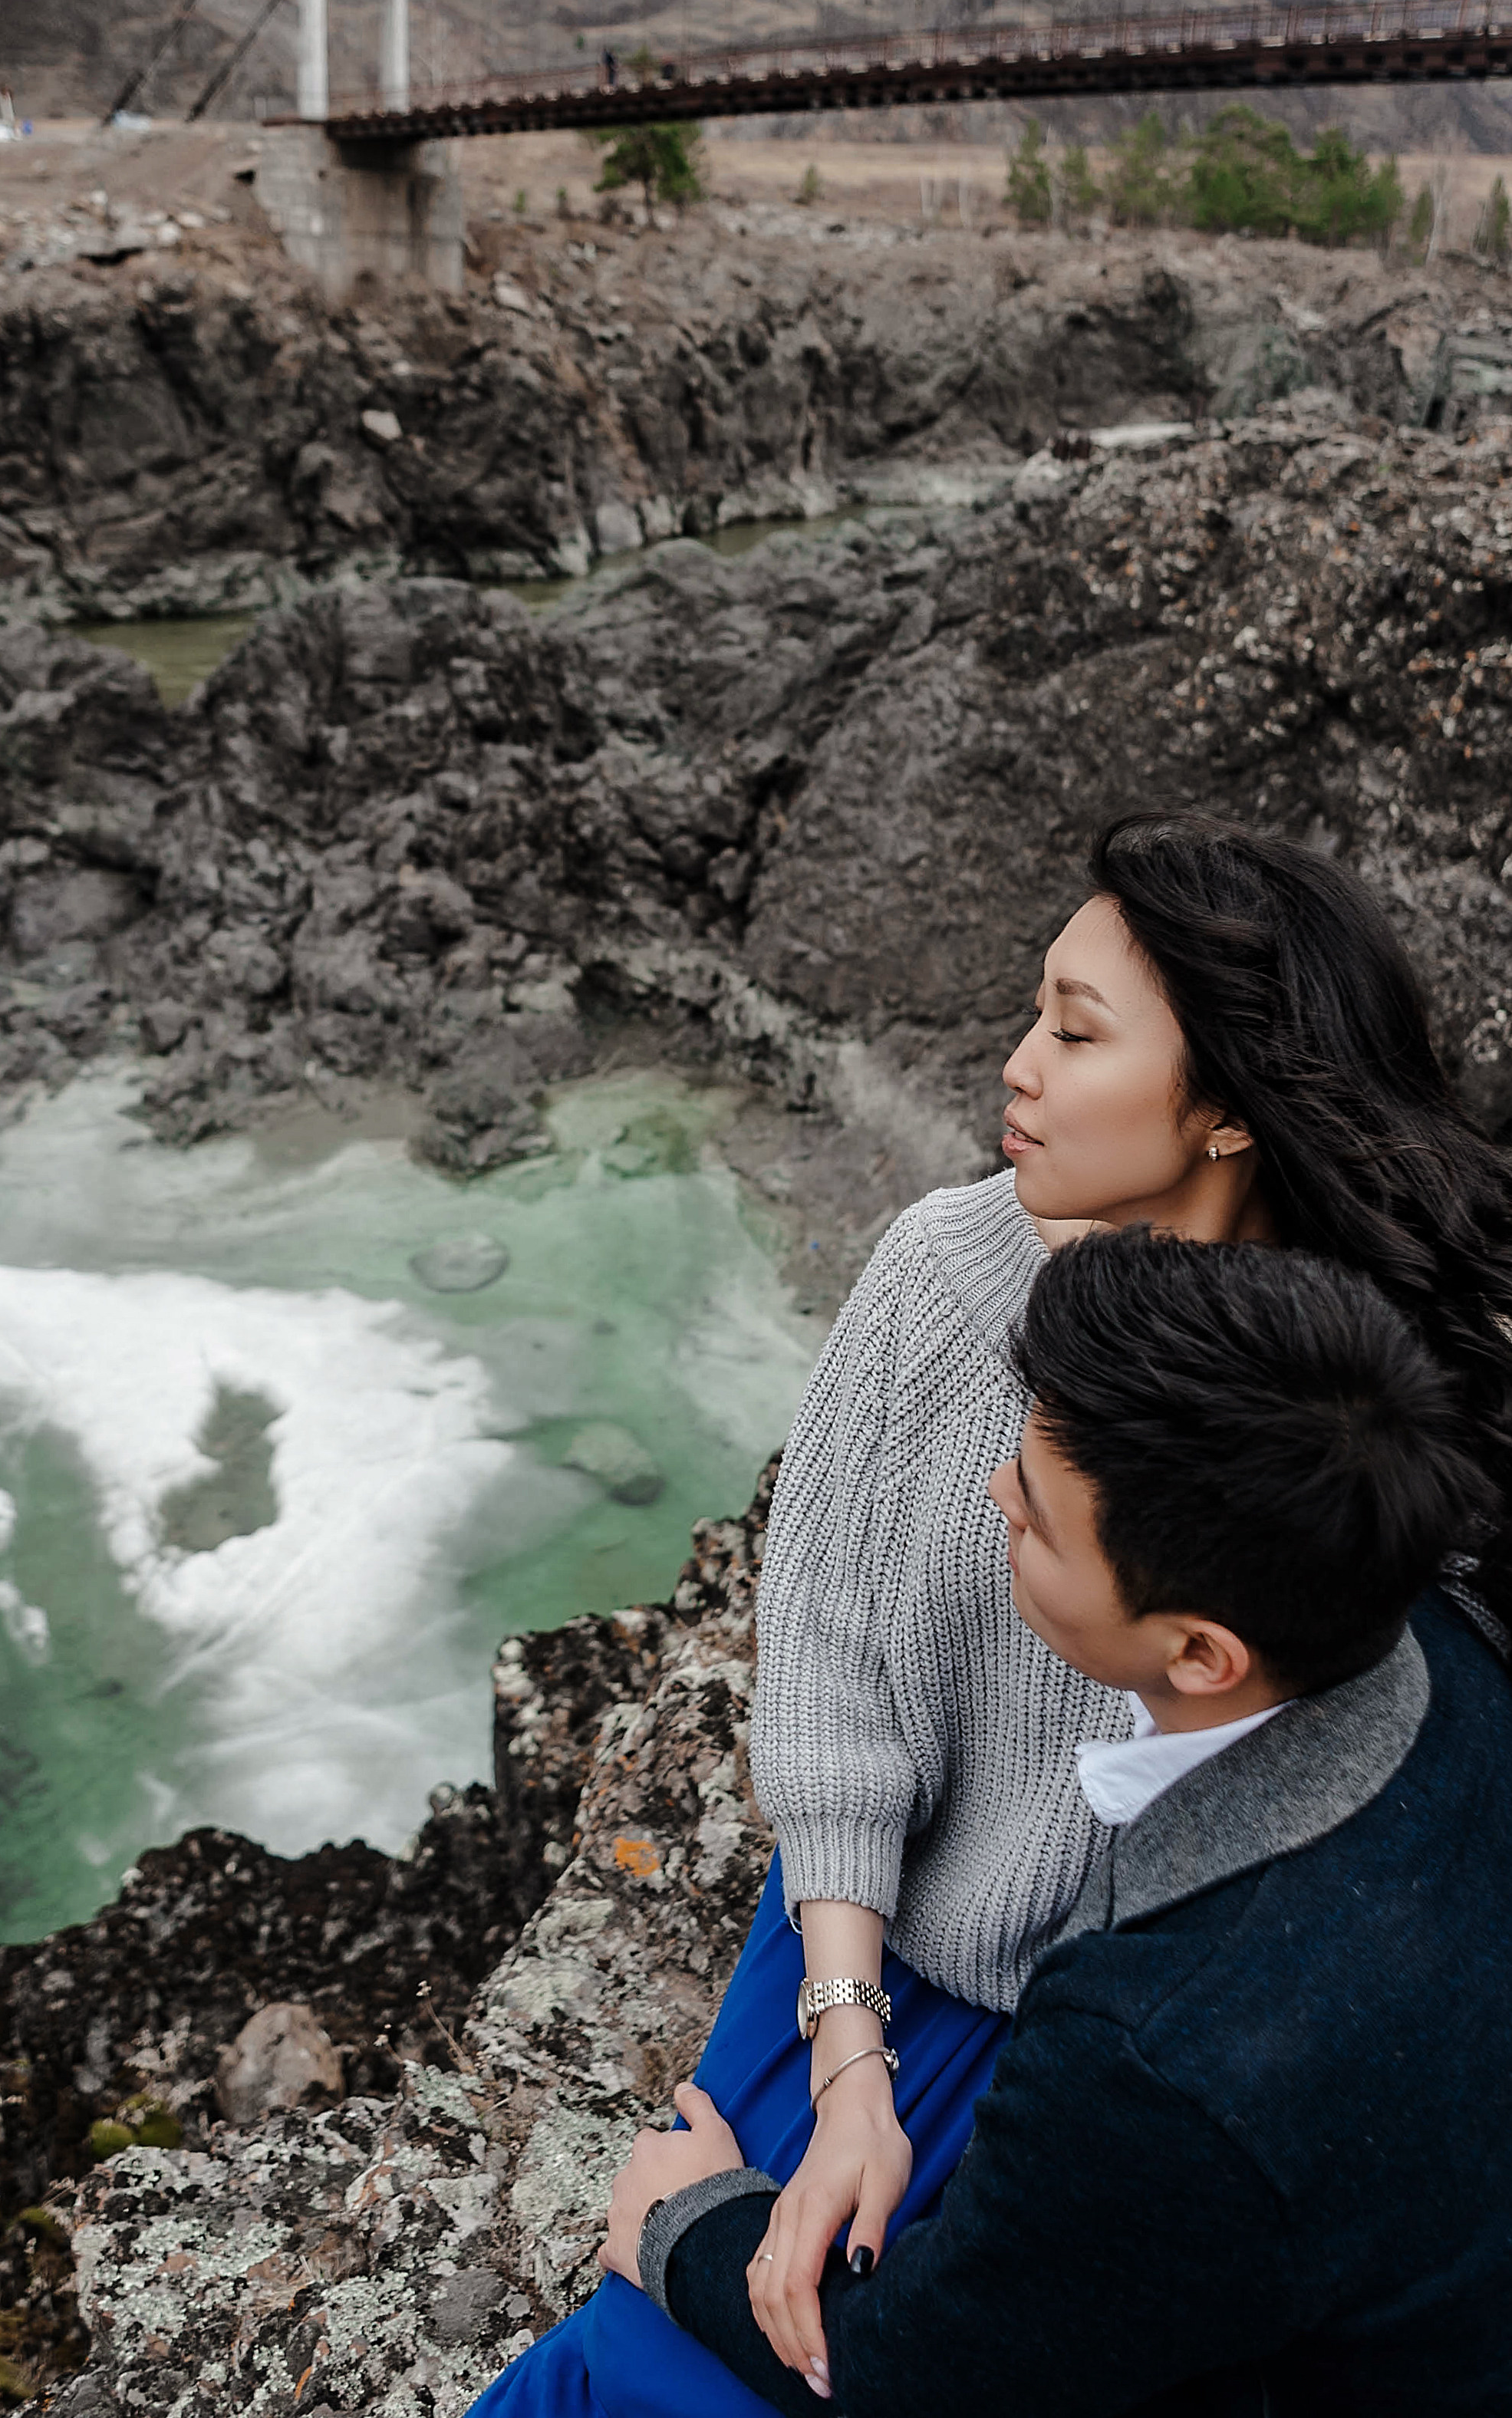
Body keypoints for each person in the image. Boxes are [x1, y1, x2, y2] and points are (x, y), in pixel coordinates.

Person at [469, 815, 1512, 2418]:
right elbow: (827, 1676)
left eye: (1077, 1034)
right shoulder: (940, 1274)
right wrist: (847, 2054)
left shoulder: (1349, 1417)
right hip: (889, 1937)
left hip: (1145, 2029)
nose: (1014, 1069)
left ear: (1230, 1104)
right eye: (1032, 1010)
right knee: (640, 2358)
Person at [601, 1231, 1512, 2411]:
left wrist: (690, 2229)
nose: (995, 1496)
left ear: (1199, 1650)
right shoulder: (1450, 1646)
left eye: (1036, 1513)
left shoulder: (1167, 2044)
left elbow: (931, 2372)